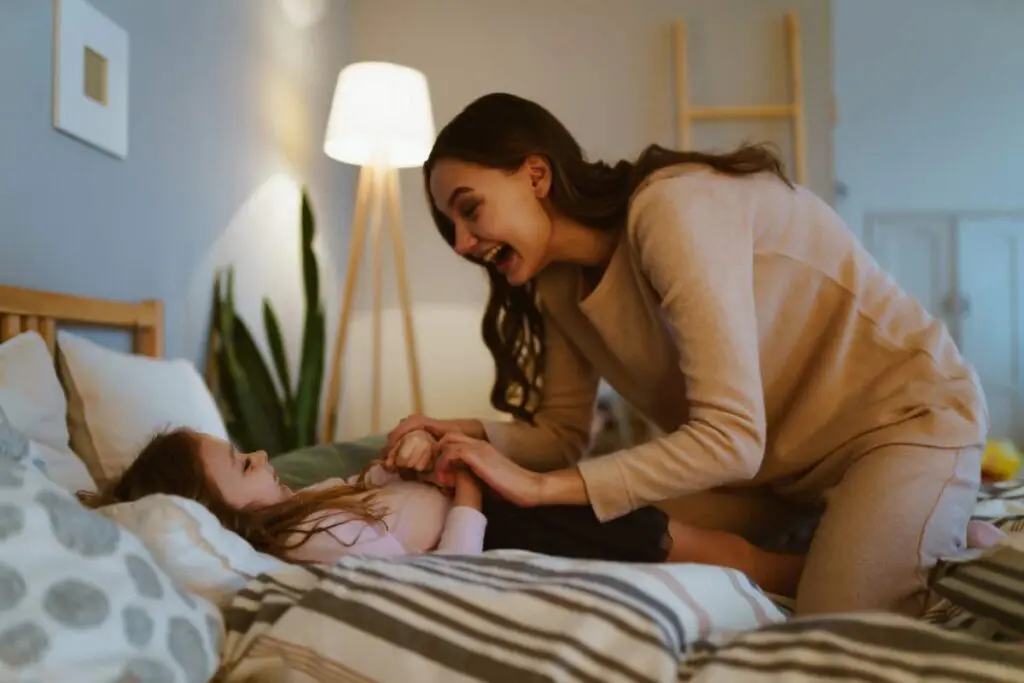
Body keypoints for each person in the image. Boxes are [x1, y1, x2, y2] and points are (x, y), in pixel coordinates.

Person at [385, 92, 989, 617]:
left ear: (535, 175)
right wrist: (462, 433)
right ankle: (849, 534)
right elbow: (560, 437)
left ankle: (925, 533)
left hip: (903, 422)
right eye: (451, 226)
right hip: (772, 476)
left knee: (838, 626)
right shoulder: (556, 285)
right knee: (602, 536)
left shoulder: (672, 209)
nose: (462, 243)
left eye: (469, 209)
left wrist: (541, 488)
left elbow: (730, 436)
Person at [77, 427, 804, 595]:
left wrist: (399, 460)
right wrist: (470, 490)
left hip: (510, 509)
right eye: (242, 465)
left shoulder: (301, 511)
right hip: (519, 526)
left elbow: (376, 505)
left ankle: (798, 541)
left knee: (692, 531)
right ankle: (806, 572)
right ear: (217, 513)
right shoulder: (307, 540)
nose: (265, 457)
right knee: (696, 545)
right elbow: (445, 567)